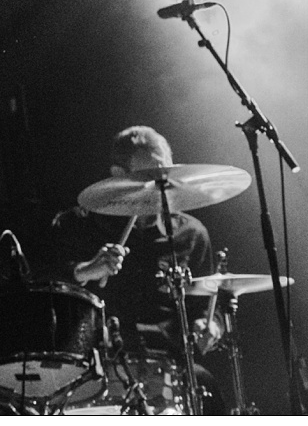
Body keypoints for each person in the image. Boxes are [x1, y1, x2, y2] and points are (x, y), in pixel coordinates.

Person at [48, 125, 223, 412]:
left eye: (164, 175)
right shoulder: (83, 224)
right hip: (100, 366)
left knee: (210, 389)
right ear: (118, 176)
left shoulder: (192, 234)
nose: (159, 184)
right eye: (147, 177)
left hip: (172, 364)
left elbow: (206, 304)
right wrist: (85, 270)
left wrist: (208, 324)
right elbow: (42, 283)